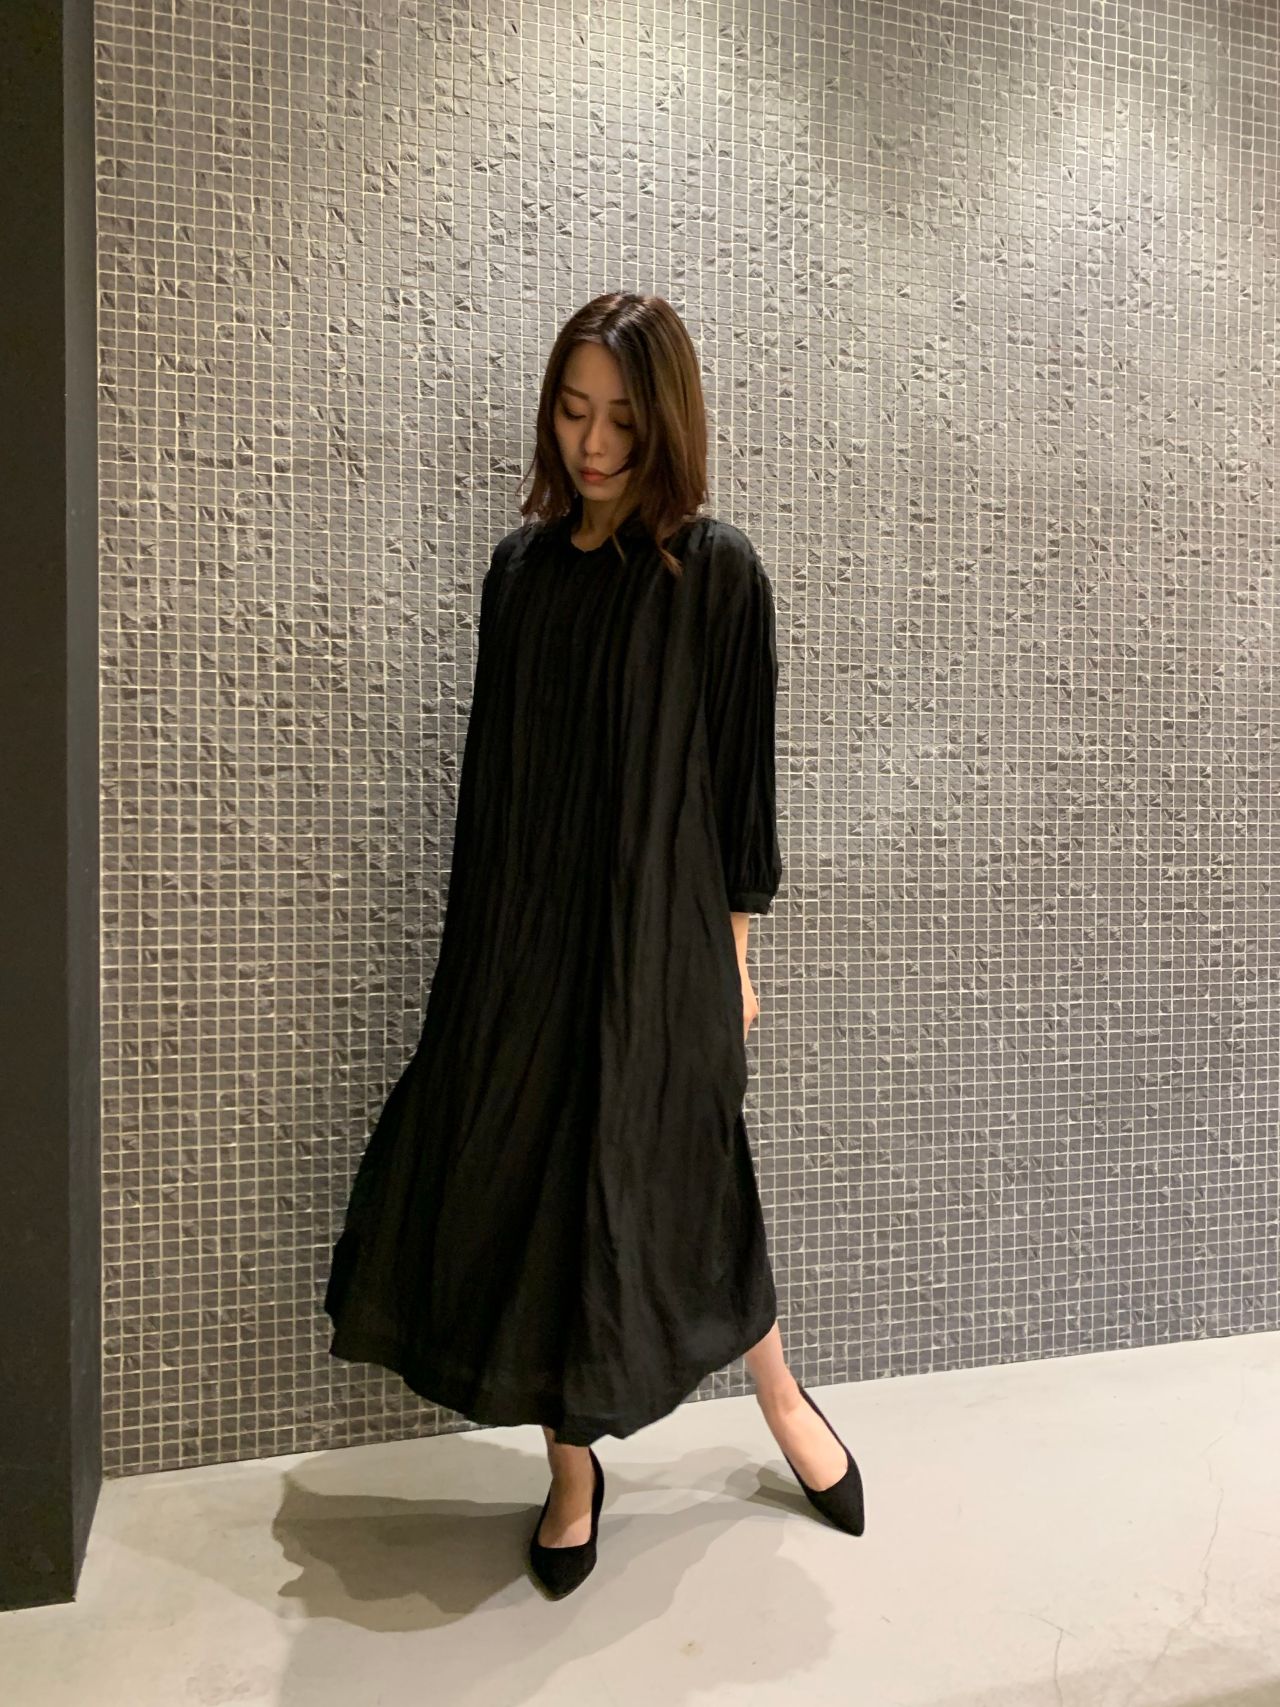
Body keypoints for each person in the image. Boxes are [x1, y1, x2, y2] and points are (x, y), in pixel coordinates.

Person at [323, 292, 864, 1599]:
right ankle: (571, 1473)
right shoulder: (520, 575)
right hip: (524, 940)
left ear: (666, 421)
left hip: (662, 940)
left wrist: (738, 956)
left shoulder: (716, 573)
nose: (596, 443)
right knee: (536, 1194)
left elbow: (741, 787)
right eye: (573, 412)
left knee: (689, 1172)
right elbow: (491, 785)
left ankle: (782, 1397)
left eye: (621, 417)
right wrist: (474, 967)